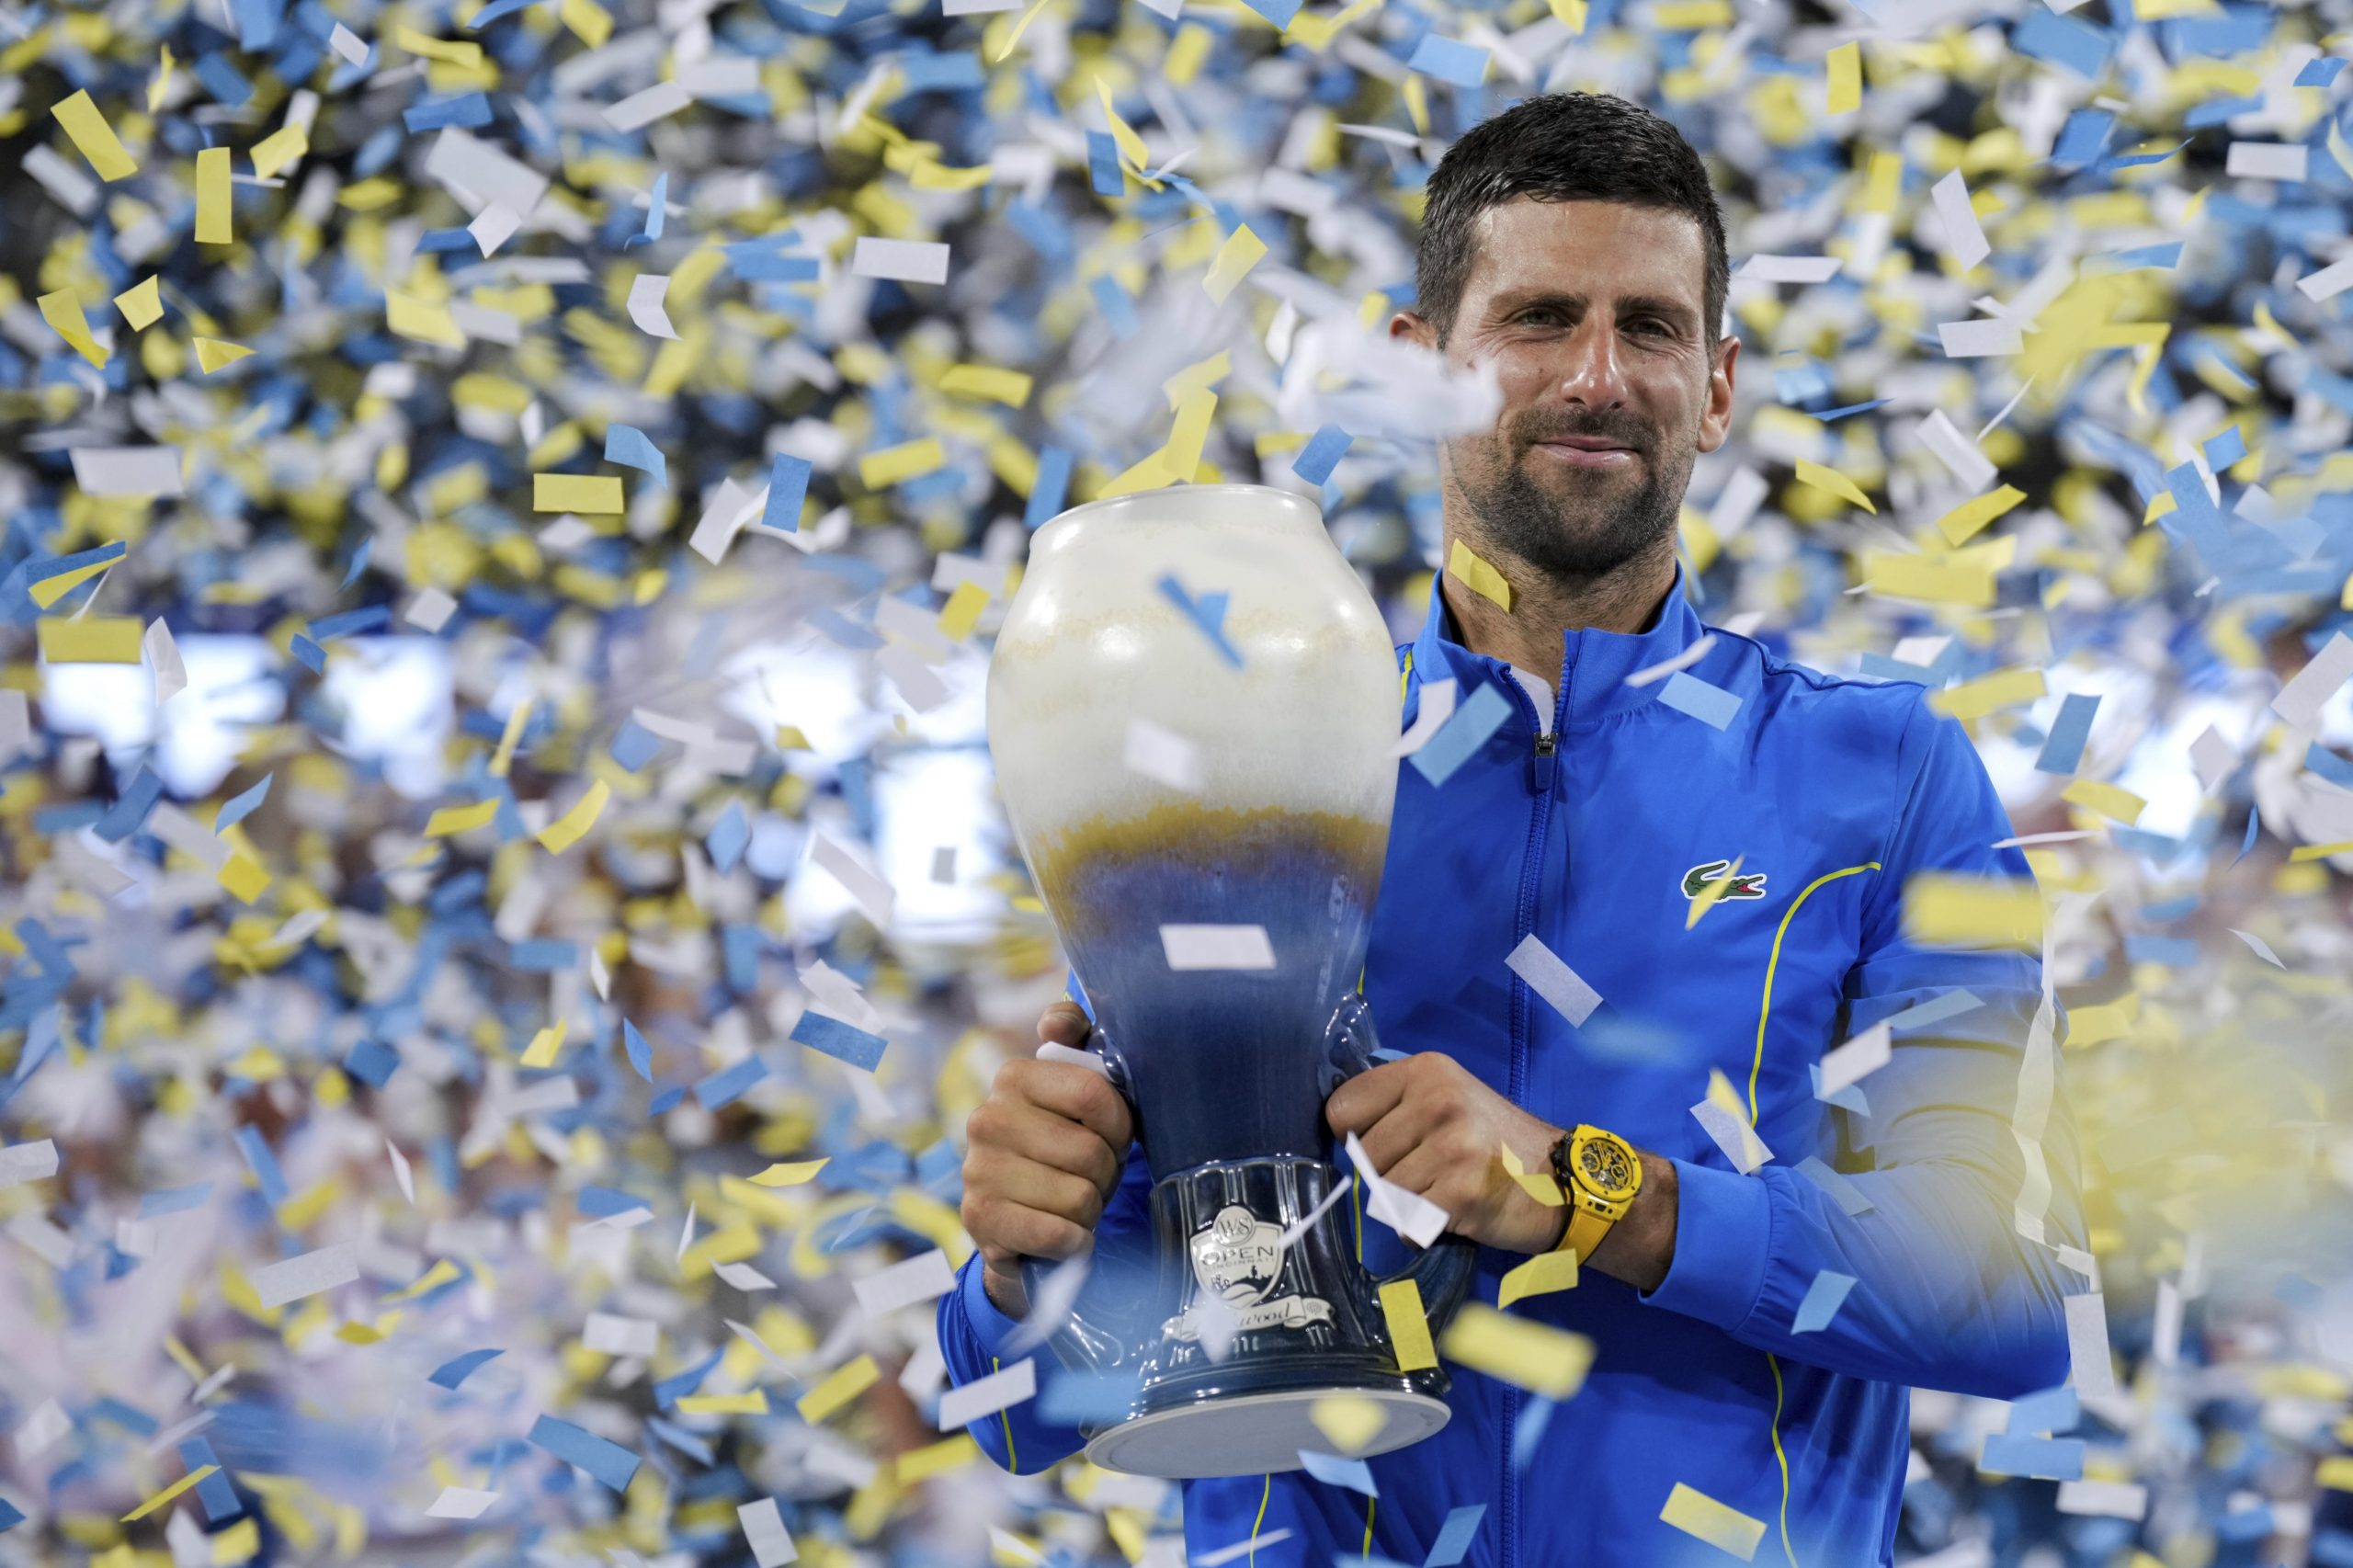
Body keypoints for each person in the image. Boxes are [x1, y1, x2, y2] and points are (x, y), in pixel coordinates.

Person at [937, 91, 2087, 1567]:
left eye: (1651, 327)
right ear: (1421, 368)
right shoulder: (1233, 754)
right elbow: (1030, 1411)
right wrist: (1019, 1263)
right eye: (1539, 318)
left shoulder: (1888, 773)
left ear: (1718, 386)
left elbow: (2016, 1294)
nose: (1597, 375)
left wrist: (1595, 1192)